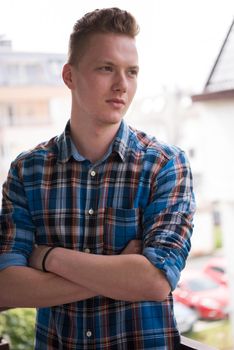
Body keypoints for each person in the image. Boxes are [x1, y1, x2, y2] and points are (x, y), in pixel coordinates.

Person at [0, 7, 196, 349]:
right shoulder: (27, 171)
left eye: (131, 72)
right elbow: (7, 286)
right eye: (106, 68)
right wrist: (120, 271)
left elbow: (154, 282)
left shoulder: (165, 165)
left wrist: (49, 258)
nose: (122, 85)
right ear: (69, 76)